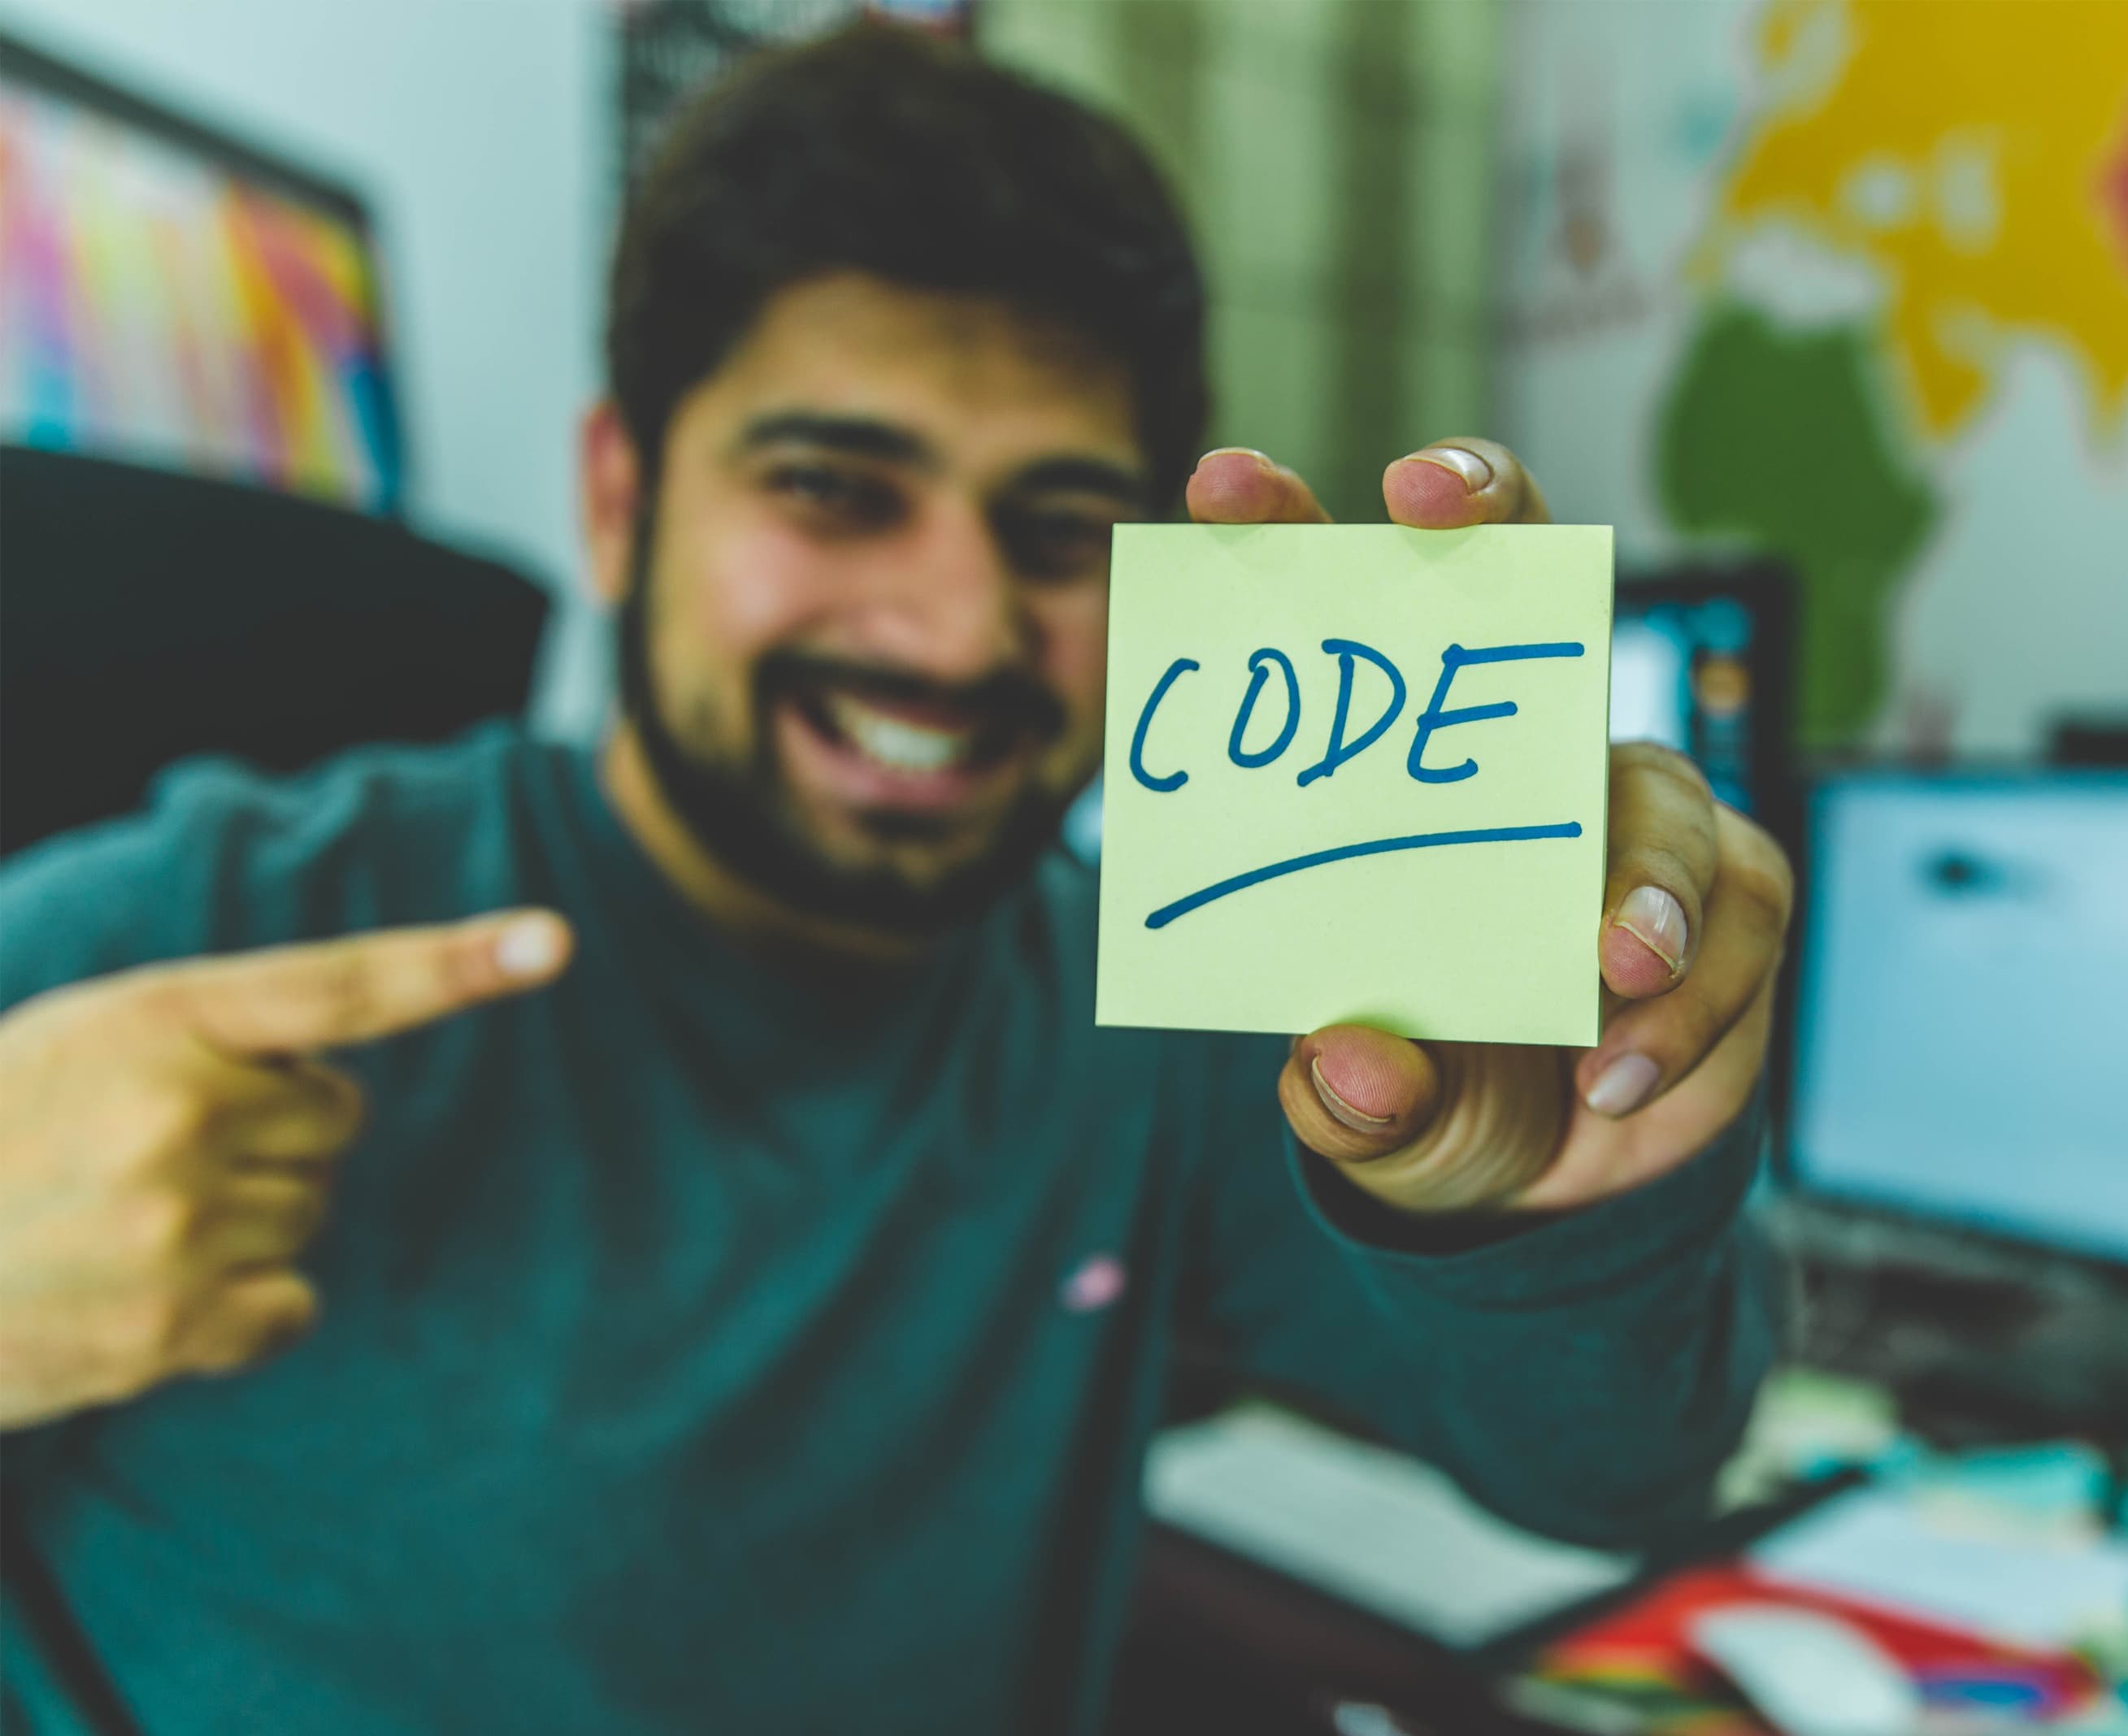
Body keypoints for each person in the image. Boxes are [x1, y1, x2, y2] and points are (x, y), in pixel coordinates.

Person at [0, 24, 1791, 1735]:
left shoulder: (1177, 1015)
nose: (953, 631)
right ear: (619, 502)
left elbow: (1615, 1475)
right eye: (834, 488)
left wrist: (1568, 1197)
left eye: (1061, 532)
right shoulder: (204, 930)